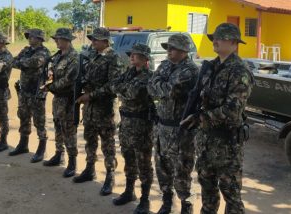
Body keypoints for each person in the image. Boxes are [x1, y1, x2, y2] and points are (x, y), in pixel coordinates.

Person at [181, 23, 254, 214]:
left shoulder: (239, 70)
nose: (215, 41)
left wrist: (201, 118)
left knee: (231, 196)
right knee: (208, 190)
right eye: (214, 38)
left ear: (232, 41)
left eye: (219, 38)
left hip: (227, 144)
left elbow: (233, 110)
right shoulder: (211, 67)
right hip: (206, 141)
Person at [147, 34, 198, 214]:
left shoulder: (190, 70)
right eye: (168, 48)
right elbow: (151, 87)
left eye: (172, 48)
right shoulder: (165, 65)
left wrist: (160, 84)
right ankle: (167, 202)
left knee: (182, 171)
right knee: (162, 167)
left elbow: (171, 91)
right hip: (161, 127)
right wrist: (160, 84)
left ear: (184, 50)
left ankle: (186, 206)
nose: (168, 51)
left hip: (180, 130)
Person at [74, 27, 122, 196]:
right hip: (89, 109)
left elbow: (113, 86)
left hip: (104, 109)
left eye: (96, 39)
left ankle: (110, 176)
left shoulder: (113, 58)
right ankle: (89, 169)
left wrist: (91, 95)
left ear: (105, 41)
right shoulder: (92, 56)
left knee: (108, 145)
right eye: (92, 39)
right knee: (90, 140)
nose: (92, 42)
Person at [110, 44, 154, 214]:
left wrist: (122, 89)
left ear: (145, 59)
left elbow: (131, 93)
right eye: (131, 55)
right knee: (128, 159)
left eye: (135, 55)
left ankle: (145, 199)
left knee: (143, 163)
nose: (131, 57)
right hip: (126, 124)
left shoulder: (148, 77)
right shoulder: (128, 73)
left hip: (141, 127)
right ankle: (129, 192)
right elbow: (113, 86)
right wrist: (122, 88)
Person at [10, 29, 51, 163]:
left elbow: (35, 63)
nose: (29, 39)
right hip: (24, 90)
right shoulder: (26, 50)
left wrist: (23, 62)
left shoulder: (44, 52)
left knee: (39, 120)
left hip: (37, 91)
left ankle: (41, 148)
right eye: (28, 37)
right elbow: (13, 62)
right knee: (23, 116)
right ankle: (23, 144)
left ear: (39, 39)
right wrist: (24, 62)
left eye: (32, 37)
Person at [42, 28, 79, 178]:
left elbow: (68, 80)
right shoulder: (57, 56)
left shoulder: (74, 58)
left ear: (66, 40)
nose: (56, 41)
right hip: (57, 99)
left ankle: (72, 162)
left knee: (68, 130)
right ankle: (59, 154)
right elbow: (51, 68)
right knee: (58, 126)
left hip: (68, 99)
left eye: (58, 39)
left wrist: (49, 86)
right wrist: (50, 72)